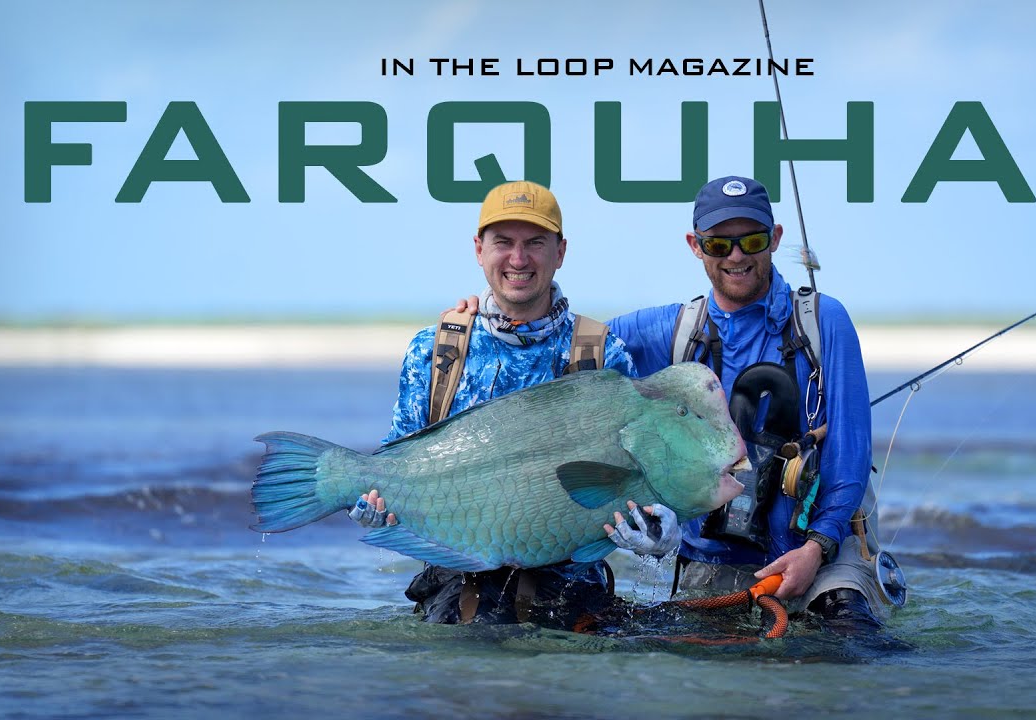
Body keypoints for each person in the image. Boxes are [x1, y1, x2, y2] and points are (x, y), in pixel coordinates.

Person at [350, 180, 640, 627]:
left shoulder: (603, 354)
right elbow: (398, 455)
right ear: (479, 249)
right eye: (503, 242)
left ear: (560, 252)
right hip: (457, 582)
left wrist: (654, 527)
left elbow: (630, 477)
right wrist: (376, 506)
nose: (518, 259)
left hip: (572, 587)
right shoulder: (436, 350)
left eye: (535, 243)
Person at [607, 176, 887, 627]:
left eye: (751, 240)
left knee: (849, 643)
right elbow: (571, 343)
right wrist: (480, 313)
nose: (736, 256)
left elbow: (851, 455)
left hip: (822, 553)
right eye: (719, 245)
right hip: (713, 559)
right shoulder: (671, 329)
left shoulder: (823, 322)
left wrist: (816, 549)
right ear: (695, 246)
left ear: (774, 239)